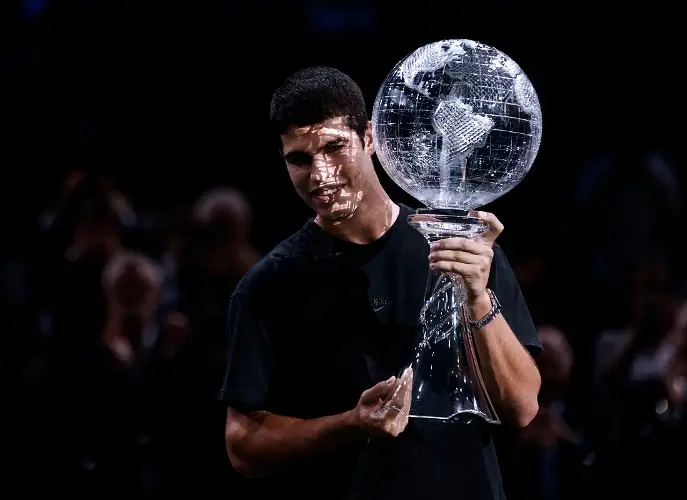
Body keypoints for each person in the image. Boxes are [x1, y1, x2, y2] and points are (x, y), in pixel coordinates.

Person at [219, 66, 542, 500]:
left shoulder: (464, 251)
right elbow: (243, 447)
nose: (321, 175)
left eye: (335, 148)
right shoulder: (269, 286)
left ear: (369, 138)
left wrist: (478, 299)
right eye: (300, 158)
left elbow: (522, 407)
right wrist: (352, 424)